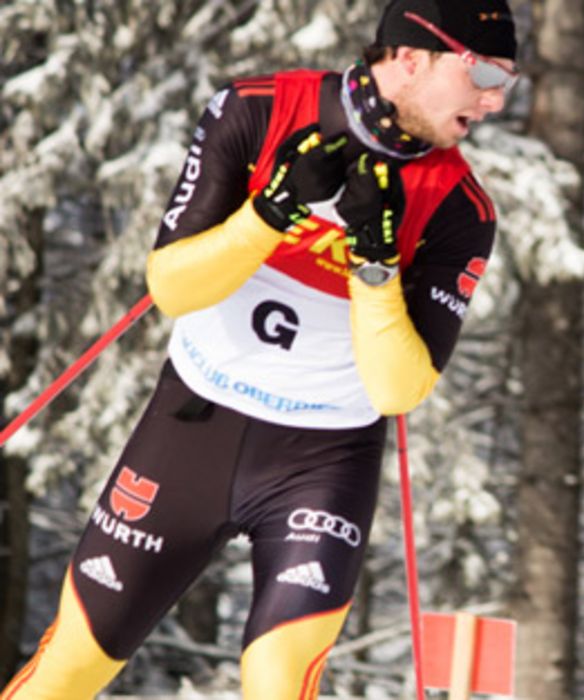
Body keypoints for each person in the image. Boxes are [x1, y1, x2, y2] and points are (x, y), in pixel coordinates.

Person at [1, 1, 516, 697]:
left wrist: (374, 263)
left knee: (277, 682)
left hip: (321, 460)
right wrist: (269, 215)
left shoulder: (459, 206)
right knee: (71, 665)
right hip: (190, 430)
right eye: (483, 71)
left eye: (507, 78)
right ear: (409, 57)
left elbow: (397, 391)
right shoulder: (257, 110)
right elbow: (173, 287)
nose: (495, 98)